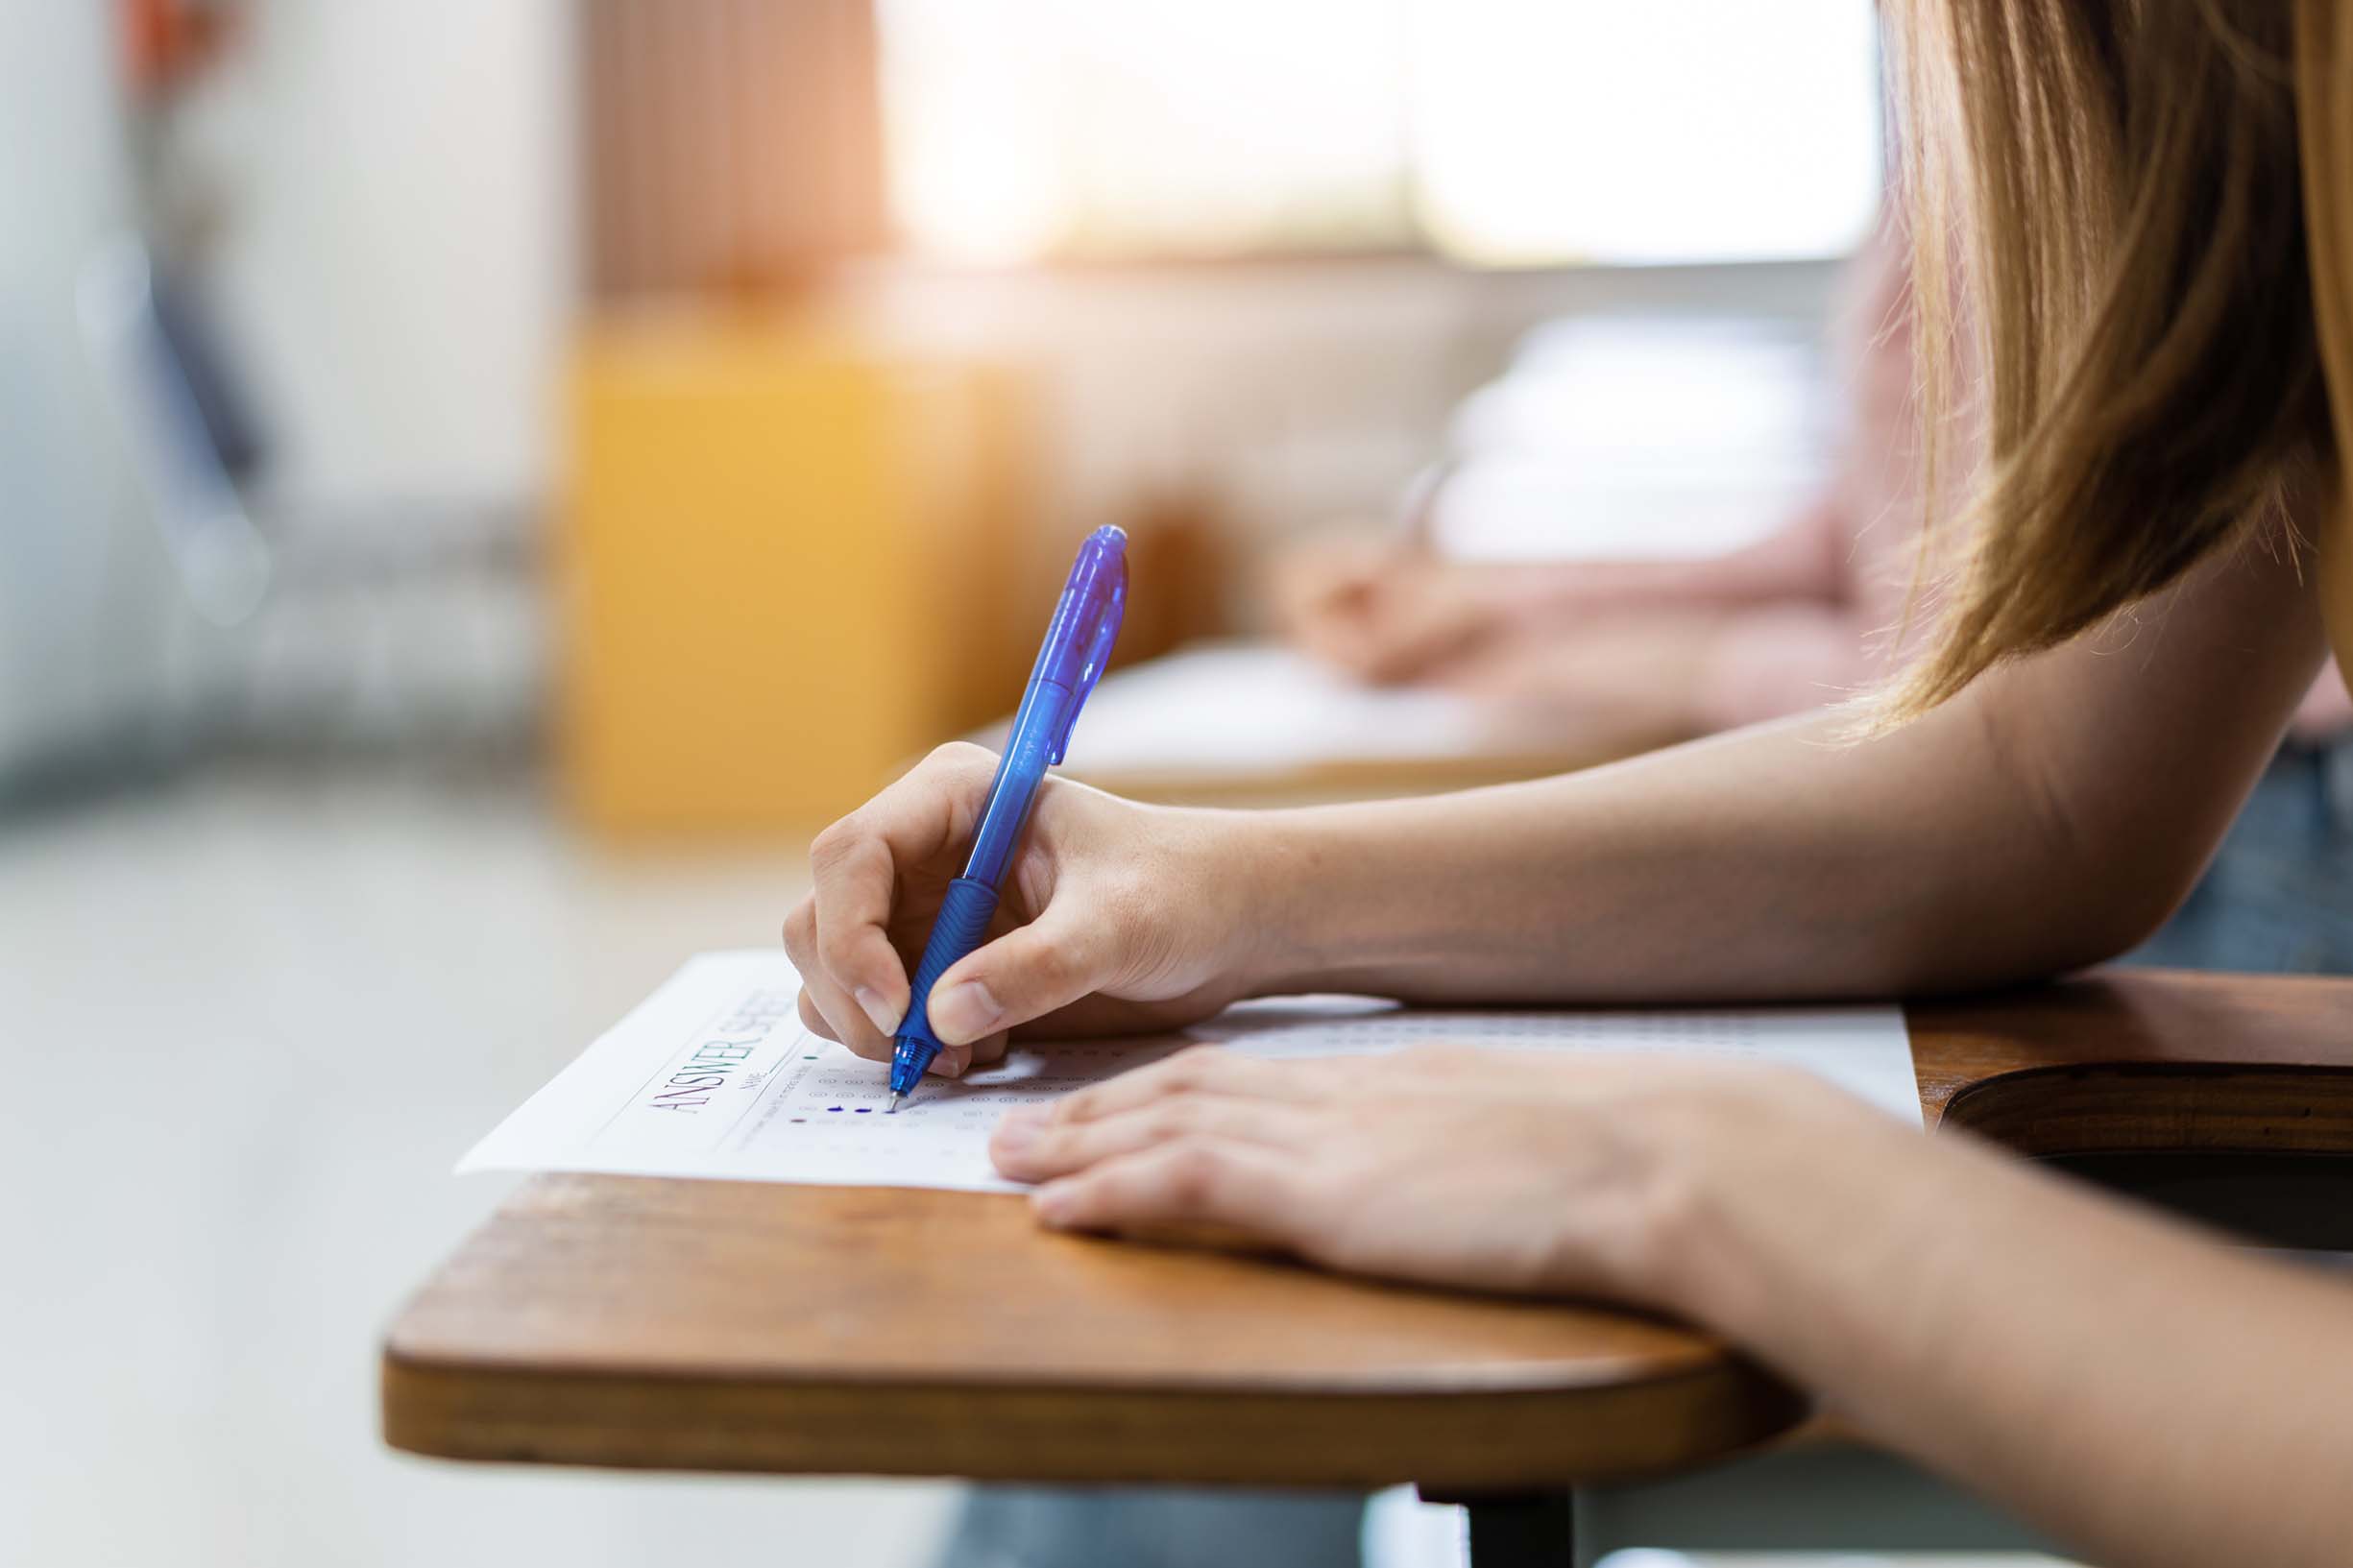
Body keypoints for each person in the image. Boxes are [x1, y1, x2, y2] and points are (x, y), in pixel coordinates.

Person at [784, 3, 2353, 1564]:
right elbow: (2042, 787)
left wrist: (1717, 1174)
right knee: (1159, 1335)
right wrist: (1227, 891)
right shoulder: (2241, 91)